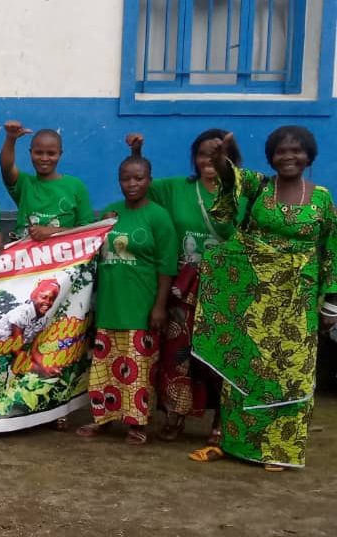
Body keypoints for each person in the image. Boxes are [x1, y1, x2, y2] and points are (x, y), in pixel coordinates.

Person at [190, 127, 336, 470]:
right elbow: (232, 179)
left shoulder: (322, 198)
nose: (289, 156)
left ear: (309, 156)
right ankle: (234, 444)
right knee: (245, 363)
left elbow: (332, 250)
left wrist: (332, 302)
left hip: (297, 300)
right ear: (271, 157)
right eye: (281, 151)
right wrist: (222, 159)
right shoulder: (260, 186)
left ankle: (279, 450)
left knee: (290, 371)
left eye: (296, 151)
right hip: (253, 296)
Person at [129, 130, 243, 443]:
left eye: (218, 154)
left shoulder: (243, 193)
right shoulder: (178, 188)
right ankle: (175, 414)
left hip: (225, 287)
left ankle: (221, 420)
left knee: (217, 355)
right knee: (177, 353)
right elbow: (137, 186)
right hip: (183, 287)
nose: (209, 161)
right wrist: (137, 153)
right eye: (204, 154)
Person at [77, 152, 177, 446]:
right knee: (104, 366)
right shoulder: (111, 213)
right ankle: (104, 418)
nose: (132, 184)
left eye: (138, 178)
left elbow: (167, 265)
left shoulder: (158, 216)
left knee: (137, 366)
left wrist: (159, 306)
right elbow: (92, 249)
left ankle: (137, 423)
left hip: (140, 304)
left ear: (149, 180)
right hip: (110, 303)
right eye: (125, 178)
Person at [0, 120, 94, 240]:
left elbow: (88, 231)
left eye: (51, 153)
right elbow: (6, 167)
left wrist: (53, 232)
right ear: (30, 153)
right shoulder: (24, 183)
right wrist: (11, 138)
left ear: (60, 154)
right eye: (38, 153)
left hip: (63, 251)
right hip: (24, 251)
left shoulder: (75, 186)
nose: (44, 158)